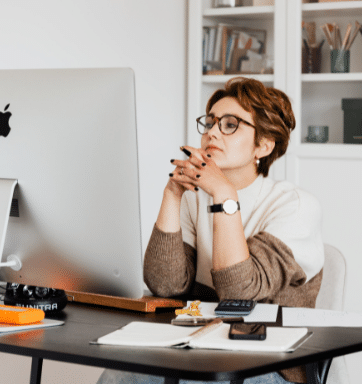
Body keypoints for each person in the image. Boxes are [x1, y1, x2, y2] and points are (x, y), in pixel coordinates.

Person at [97, 77, 324, 384]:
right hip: (198, 347)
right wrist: (173, 194)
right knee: (121, 373)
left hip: (268, 362)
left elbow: (238, 296)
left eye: (230, 124)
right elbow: (166, 285)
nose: (212, 132)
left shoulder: (296, 205)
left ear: (264, 145)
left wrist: (225, 196)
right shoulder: (197, 198)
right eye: (211, 122)